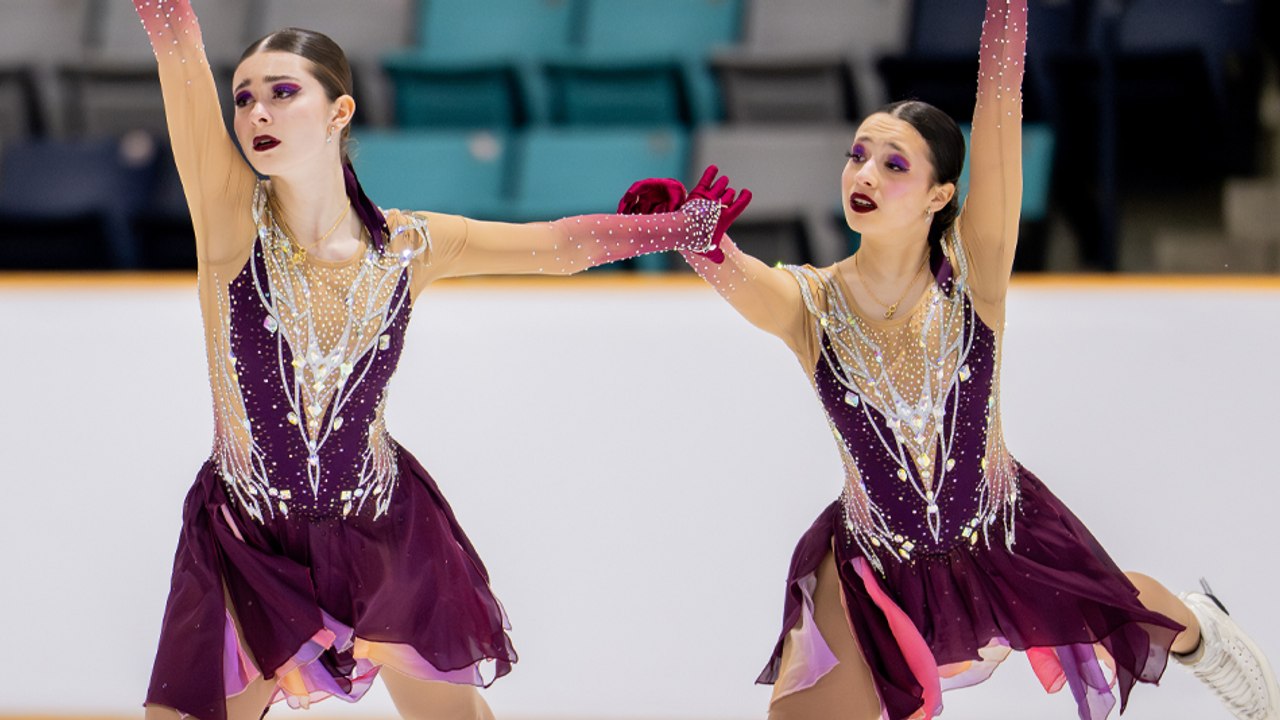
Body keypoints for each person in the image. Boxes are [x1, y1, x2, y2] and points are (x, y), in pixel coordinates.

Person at [619, 0, 1279, 718]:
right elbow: (748, 283)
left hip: (1002, 529)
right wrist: (696, 241)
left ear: (940, 194)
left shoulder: (974, 268)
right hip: (874, 561)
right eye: (858, 155)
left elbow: (998, 94)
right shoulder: (813, 303)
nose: (866, 173)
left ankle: (1202, 628)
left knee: (1127, 615)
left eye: (894, 163)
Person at [132, 1, 749, 718]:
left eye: (283, 91)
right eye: (243, 98)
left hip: (379, 528)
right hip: (247, 538)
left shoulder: (408, 245)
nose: (257, 112)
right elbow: (177, 51)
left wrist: (672, 229)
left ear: (339, 112)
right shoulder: (230, 221)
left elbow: (553, 247)